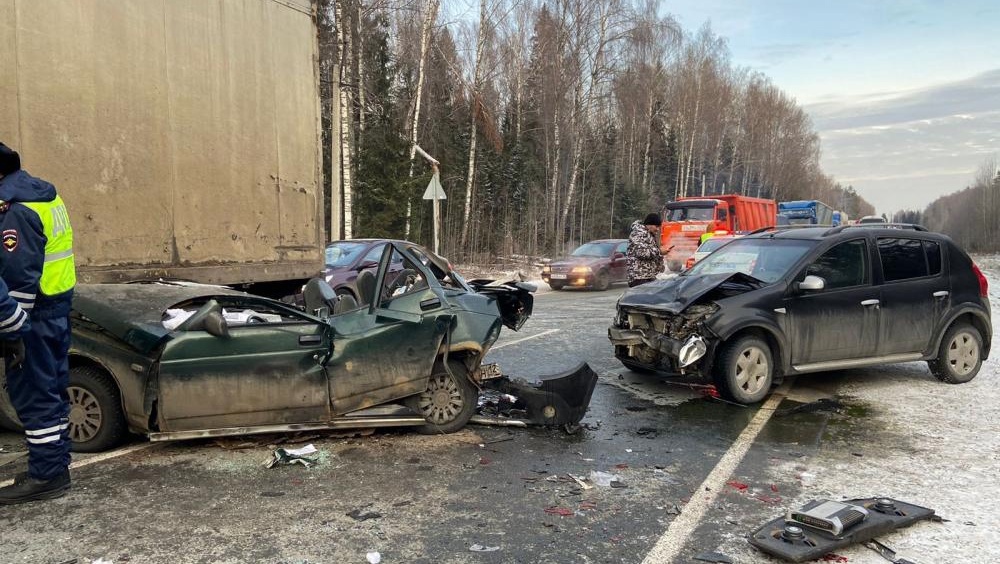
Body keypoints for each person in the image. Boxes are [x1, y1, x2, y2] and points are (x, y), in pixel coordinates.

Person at [0, 142, 76, 504]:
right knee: (53, 392)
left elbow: (19, 277)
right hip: (56, 309)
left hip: (33, 319)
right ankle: (56, 467)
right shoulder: (45, 195)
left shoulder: (15, 209)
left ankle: (46, 475)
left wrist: (13, 329)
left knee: (34, 395)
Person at [626, 212, 673, 287]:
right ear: (649, 224)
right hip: (639, 277)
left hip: (647, 276)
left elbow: (650, 252)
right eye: (656, 226)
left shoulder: (648, 234)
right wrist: (659, 251)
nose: (658, 229)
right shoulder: (638, 234)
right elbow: (642, 253)